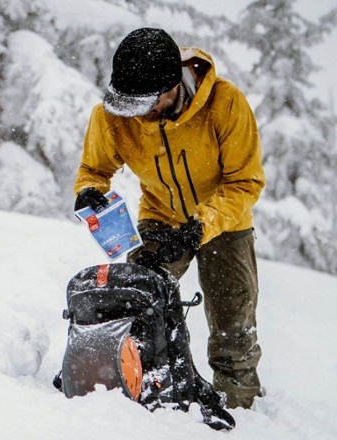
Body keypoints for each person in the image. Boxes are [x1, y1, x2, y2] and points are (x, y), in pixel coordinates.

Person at [73, 27, 265, 409]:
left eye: (141, 103)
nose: (132, 113)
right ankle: (145, 385)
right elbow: (94, 169)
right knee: (139, 303)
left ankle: (238, 402)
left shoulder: (225, 104)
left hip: (225, 220)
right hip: (160, 216)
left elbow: (245, 182)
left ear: (170, 87)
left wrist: (202, 226)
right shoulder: (114, 115)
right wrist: (88, 191)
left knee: (232, 322)